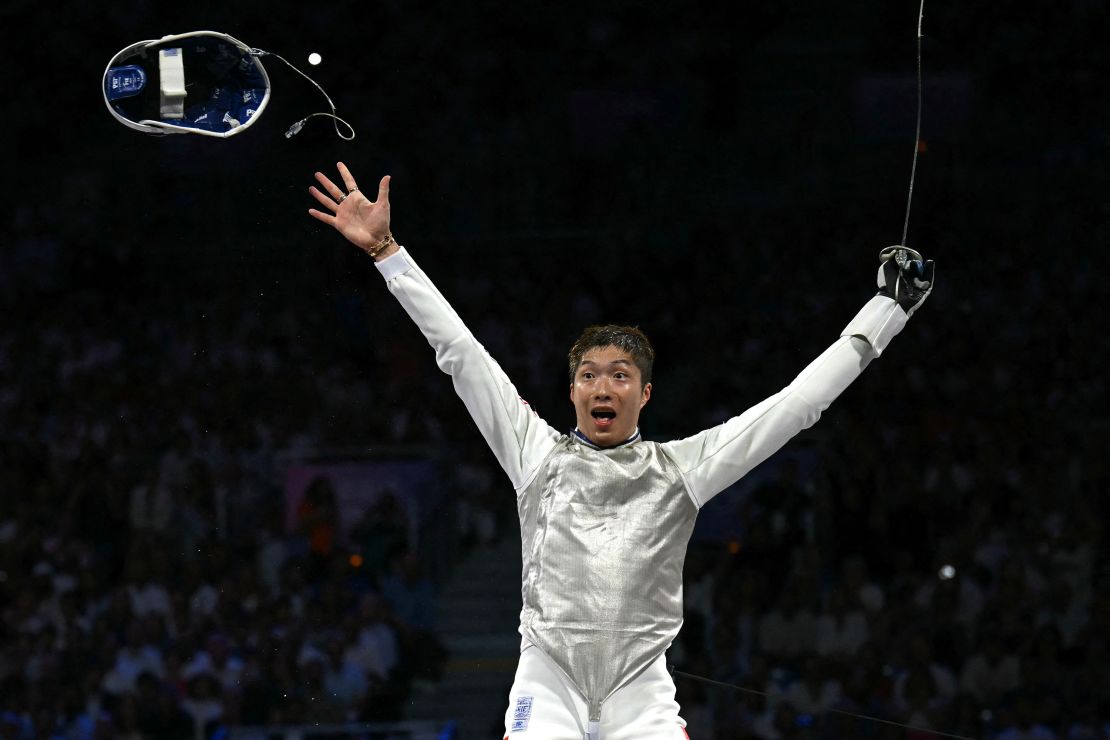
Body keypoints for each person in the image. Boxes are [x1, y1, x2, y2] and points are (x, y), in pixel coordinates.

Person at [306, 163, 934, 740]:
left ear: (645, 393)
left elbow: (798, 405)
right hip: (547, 681)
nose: (603, 386)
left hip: (642, 691)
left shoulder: (682, 469)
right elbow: (460, 353)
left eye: (620, 374)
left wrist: (887, 311)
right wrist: (389, 254)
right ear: (572, 389)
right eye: (590, 374)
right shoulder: (535, 453)